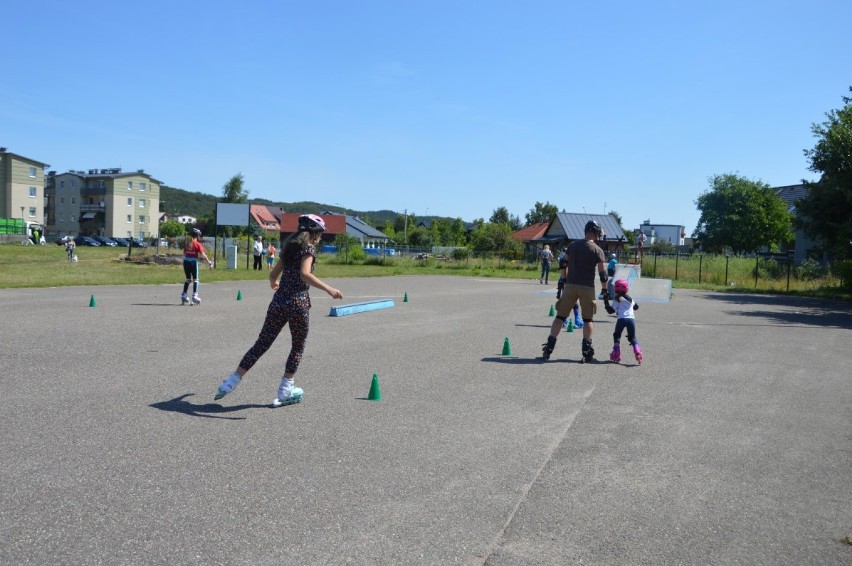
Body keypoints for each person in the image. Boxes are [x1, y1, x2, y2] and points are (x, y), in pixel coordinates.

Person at [214, 214, 343, 408]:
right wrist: (329, 289)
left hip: (279, 302)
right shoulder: (308, 249)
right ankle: (285, 389)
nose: (320, 238)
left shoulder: (289, 249)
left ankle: (231, 382)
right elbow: (305, 274)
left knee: (262, 343)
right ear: (314, 234)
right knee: (298, 346)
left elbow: (273, 274)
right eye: (320, 234)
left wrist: (275, 282)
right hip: (298, 304)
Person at [541, 220, 608, 363]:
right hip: (588, 288)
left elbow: (562, 263)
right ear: (596, 233)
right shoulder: (598, 250)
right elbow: (603, 275)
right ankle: (586, 351)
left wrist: (563, 279)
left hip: (570, 286)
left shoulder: (573, 245)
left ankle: (548, 349)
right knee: (587, 319)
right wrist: (605, 290)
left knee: (560, 317)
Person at [608, 278, 643, 364]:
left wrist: (606, 301)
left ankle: (616, 354)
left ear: (616, 289)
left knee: (617, 335)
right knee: (632, 337)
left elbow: (611, 310)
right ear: (626, 289)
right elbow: (636, 307)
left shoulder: (617, 299)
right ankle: (637, 352)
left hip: (621, 320)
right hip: (631, 320)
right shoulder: (630, 299)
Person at [181, 228, 213, 305]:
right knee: (195, 279)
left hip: (185, 262)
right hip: (193, 262)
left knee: (188, 279)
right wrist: (209, 262)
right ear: (197, 236)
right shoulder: (198, 244)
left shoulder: (187, 244)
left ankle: (184, 295)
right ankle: (195, 296)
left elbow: (184, 253)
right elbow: (203, 254)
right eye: (199, 236)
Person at [555, 246, 584, 329]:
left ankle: (577, 320)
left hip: (575, 281)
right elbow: (563, 269)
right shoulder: (565, 258)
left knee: (573, 301)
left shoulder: (579, 259)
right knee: (566, 301)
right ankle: (565, 319)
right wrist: (561, 282)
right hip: (567, 281)